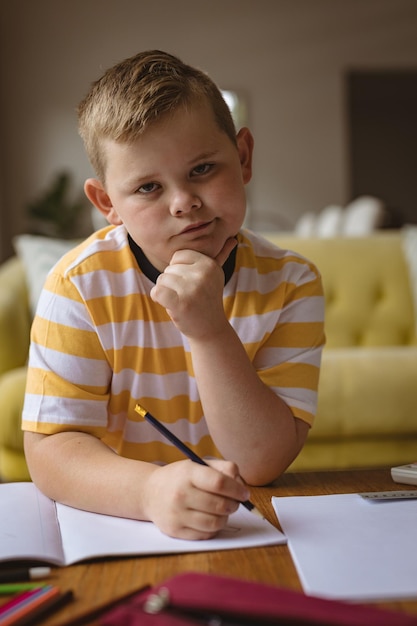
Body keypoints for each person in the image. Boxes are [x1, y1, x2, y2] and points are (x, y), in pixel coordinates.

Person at [22, 50, 325, 540]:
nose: (184, 203)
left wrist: (208, 330)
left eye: (203, 168)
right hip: (117, 524)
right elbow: (52, 449)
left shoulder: (292, 283)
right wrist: (150, 491)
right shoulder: (79, 283)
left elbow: (261, 463)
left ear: (243, 157)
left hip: (242, 528)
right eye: (147, 187)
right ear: (107, 203)